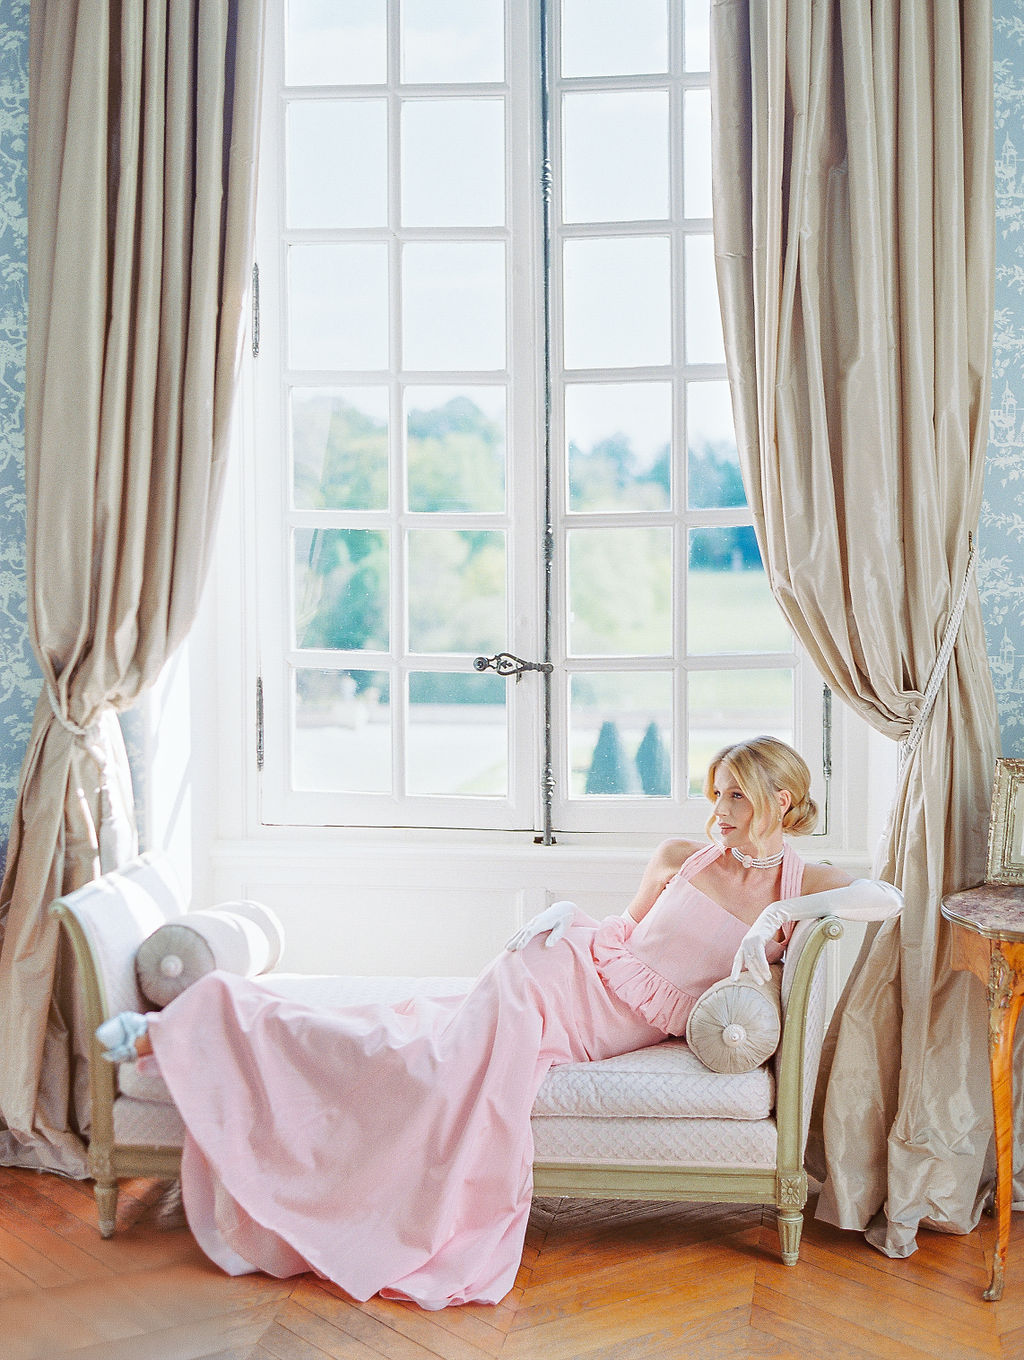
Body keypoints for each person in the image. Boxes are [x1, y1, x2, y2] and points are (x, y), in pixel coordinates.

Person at [96, 735, 901, 1311]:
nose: (717, 808)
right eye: (715, 790)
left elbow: (884, 898)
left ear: (781, 799)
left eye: (734, 793)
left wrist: (785, 915)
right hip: (563, 967)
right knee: (420, 1052)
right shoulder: (678, 854)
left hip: (608, 1018)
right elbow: (623, 932)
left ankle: (197, 1027)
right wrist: (563, 917)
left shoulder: (800, 877)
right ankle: (195, 1023)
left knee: (413, 1053)